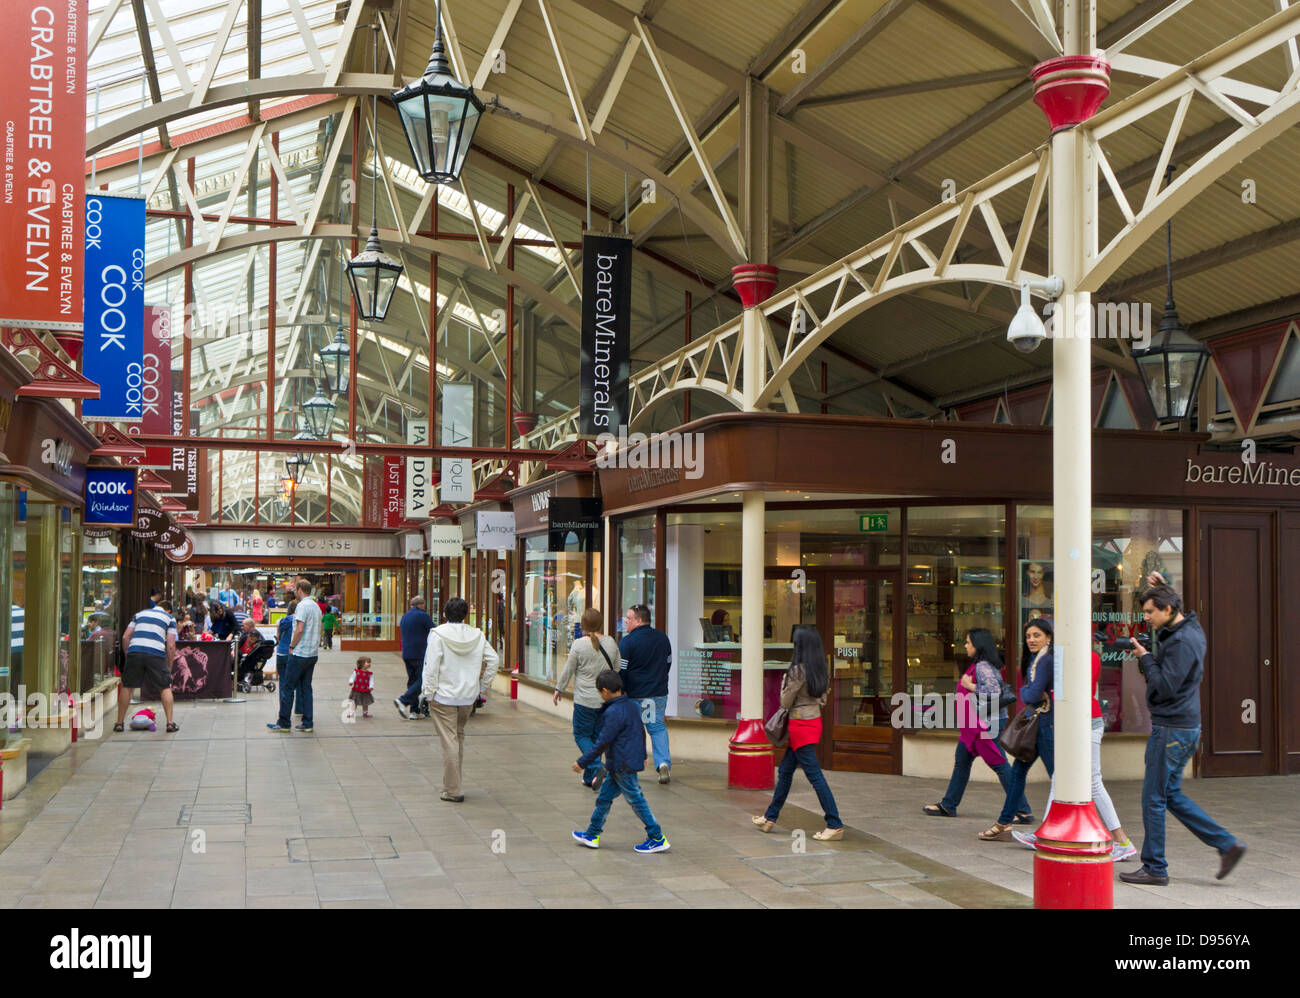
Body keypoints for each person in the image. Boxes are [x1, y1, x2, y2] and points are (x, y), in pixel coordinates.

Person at [1118, 583, 1245, 886]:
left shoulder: (1181, 642)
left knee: (1153, 799)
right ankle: (1227, 845)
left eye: (1150, 611)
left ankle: (1154, 868)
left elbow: (1165, 686)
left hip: (1171, 729)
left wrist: (1146, 657)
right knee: (1170, 795)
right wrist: (1161, 584)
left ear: (1167, 609)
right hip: (1184, 726)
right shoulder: (1188, 629)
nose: (1146, 616)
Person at [1012, 646, 1136, 861]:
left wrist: (1047, 688)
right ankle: (1044, 834)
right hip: (1076, 721)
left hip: (1086, 722)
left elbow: (1065, 691)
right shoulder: (1079, 656)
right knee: (1059, 778)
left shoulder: (1080, 657)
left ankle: (1122, 841)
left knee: (1093, 782)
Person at [752, 626, 844, 840]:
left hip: (799, 725)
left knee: (815, 776)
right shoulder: (821, 668)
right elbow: (822, 699)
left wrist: (786, 681)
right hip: (812, 722)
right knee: (785, 771)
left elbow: (785, 702)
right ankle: (770, 817)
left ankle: (834, 823)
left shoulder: (797, 671)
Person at [923, 628, 1025, 819]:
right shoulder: (983, 665)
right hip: (978, 724)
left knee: (999, 764)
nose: (966, 645)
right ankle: (949, 805)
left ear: (977, 645)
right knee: (962, 760)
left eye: (968, 642)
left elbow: (994, 692)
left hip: (985, 724)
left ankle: (1023, 809)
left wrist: (970, 686)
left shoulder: (982, 666)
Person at [571, 670, 670, 853]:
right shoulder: (631, 706)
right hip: (620, 763)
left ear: (606, 691)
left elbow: (602, 741)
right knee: (604, 798)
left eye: (600, 692)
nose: (600, 696)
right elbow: (640, 731)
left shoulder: (613, 712)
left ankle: (656, 836)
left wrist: (582, 762)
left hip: (622, 764)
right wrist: (643, 755)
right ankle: (592, 834)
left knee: (636, 799)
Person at [980, 618, 1055, 840]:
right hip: (1036, 725)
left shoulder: (1046, 661)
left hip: (1046, 726)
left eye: (1037, 635)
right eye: (1029, 636)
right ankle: (1004, 822)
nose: (1031, 640)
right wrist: (1030, 691)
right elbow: (1031, 692)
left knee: (1058, 779)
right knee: (1018, 773)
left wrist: (1026, 692)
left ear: (1048, 637)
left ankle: (1054, 827)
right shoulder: (1035, 659)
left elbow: (1029, 695)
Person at [421, 597, 499, 802]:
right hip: (467, 696)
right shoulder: (477, 635)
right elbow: (494, 660)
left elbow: (431, 665)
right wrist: (482, 686)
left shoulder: (437, 634)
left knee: (449, 742)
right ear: (465, 614)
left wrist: (428, 693)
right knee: (458, 737)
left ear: (445, 613)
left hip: (443, 696)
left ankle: (452, 789)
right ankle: (454, 784)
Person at [554, 607, 621, 791]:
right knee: (597, 738)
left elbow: (569, 670)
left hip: (584, 700)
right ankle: (590, 777)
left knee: (581, 735)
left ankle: (596, 767)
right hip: (604, 701)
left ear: (583, 624)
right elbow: (617, 668)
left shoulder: (578, 645)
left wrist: (559, 689)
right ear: (601, 623)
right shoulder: (611, 643)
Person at [619, 603, 673, 784]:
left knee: (633, 729)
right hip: (657, 692)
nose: (625, 621)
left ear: (639, 620)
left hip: (634, 693)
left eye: (628, 618)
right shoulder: (662, 638)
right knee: (657, 728)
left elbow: (622, 670)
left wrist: (622, 689)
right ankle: (663, 763)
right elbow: (668, 663)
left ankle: (631, 765)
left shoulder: (627, 642)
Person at [114, 597, 179, 733]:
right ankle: (170, 723)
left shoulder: (139, 614)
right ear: (168, 610)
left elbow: (125, 637)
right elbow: (171, 645)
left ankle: (119, 723)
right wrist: (169, 665)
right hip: (155, 653)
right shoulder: (169, 618)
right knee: (164, 687)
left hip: (135, 651)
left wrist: (128, 654)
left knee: (127, 687)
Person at [268, 579, 322, 734]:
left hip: (299, 653)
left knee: (287, 687)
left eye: (295, 590)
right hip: (312, 654)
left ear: (299, 589)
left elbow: (299, 629)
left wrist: (291, 646)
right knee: (306, 688)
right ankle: (307, 722)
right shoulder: (316, 607)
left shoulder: (302, 606)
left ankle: (284, 722)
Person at [395, 596, 434, 719]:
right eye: (424, 604)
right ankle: (403, 700)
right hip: (419, 653)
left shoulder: (405, 616)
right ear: (421, 604)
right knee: (422, 681)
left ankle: (414, 711)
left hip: (407, 653)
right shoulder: (422, 615)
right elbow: (434, 631)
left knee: (413, 681)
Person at [275, 599, 298, 715]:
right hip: (293, 653)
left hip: (281, 653)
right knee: (293, 683)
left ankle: (283, 710)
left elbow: (278, 638)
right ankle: (296, 709)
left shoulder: (283, 621)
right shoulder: (299, 621)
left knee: (283, 683)